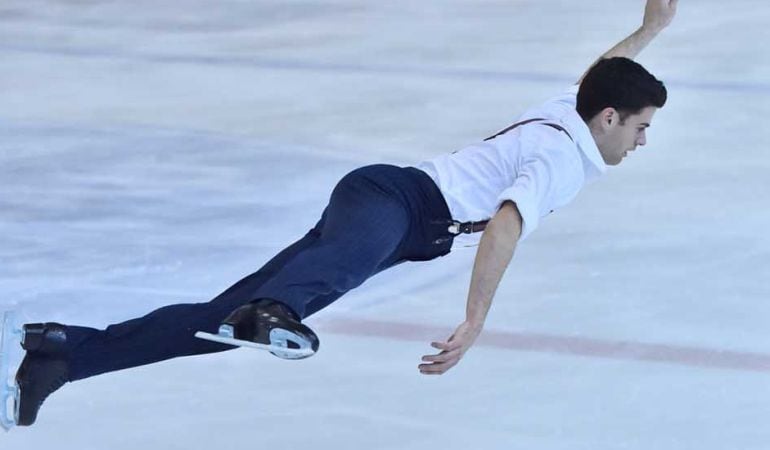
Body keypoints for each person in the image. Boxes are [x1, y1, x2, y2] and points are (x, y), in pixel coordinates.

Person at [9, 0, 678, 427]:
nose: (642, 141)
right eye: (641, 127)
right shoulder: (564, 156)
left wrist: (649, 30)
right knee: (296, 294)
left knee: (220, 321)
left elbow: (603, 71)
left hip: (401, 217)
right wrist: (475, 320)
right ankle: (273, 313)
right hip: (398, 202)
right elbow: (505, 225)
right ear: (611, 118)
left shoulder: (577, 107)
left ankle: (65, 354)